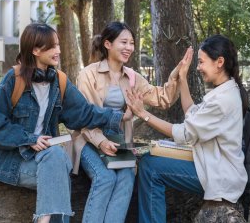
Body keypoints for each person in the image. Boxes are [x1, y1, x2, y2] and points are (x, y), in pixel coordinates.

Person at [0, 23, 126, 223]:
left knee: (56, 157)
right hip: (11, 162)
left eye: (58, 45)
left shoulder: (59, 81)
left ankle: (44, 220)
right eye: (53, 46)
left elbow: (83, 113)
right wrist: (29, 139)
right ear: (35, 50)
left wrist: (116, 116)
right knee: (58, 164)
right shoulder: (13, 80)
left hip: (48, 159)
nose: (58, 50)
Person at [72, 21, 186, 223]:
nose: (129, 48)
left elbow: (163, 98)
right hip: (88, 138)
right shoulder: (88, 74)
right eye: (123, 42)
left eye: (131, 43)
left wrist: (176, 76)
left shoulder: (132, 78)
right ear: (108, 44)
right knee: (105, 178)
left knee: (126, 177)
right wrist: (101, 142)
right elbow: (85, 117)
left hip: (119, 141)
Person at [126, 35, 249, 223]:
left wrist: (143, 114)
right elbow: (192, 113)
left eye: (201, 62)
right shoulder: (224, 90)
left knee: (150, 167)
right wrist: (182, 78)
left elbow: (183, 133)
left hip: (220, 177)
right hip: (212, 164)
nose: (198, 67)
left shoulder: (223, 100)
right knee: (151, 158)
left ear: (220, 62)